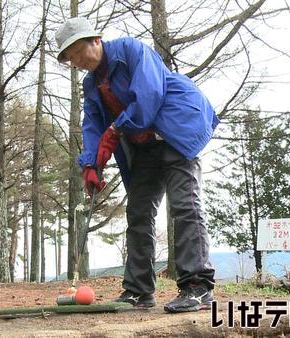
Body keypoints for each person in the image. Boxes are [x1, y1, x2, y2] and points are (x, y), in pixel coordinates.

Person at [55, 18, 218, 312]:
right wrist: (90, 165)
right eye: (71, 59)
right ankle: (138, 290)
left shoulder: (131, 50)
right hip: (143, 146)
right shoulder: (91, 84)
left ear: (95, 40)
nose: (77, 61)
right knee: (139, 212)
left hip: (176, 131)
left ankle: (197, 287)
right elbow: (92, 125)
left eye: (78, 52)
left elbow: (149, 95)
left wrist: (116, 129)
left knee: (184, 205)